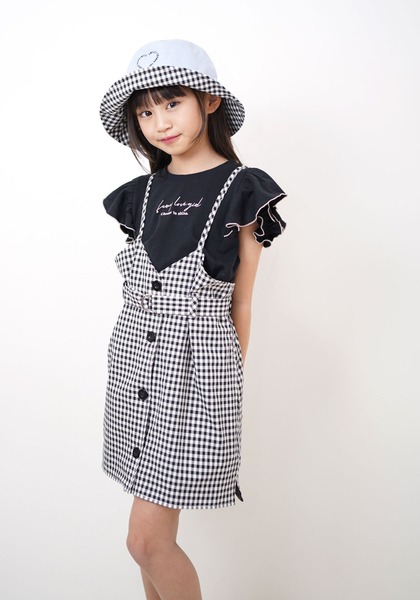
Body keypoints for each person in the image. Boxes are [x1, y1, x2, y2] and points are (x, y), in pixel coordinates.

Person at [99, 39, 287, 600]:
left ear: (208, 101)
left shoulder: (243, 190)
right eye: (144, 112)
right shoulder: (141, 194)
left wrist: (225, 381)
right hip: (132, 372)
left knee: (144, 542)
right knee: (149, 540)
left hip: (196, 380)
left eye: (171, 103)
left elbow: (241, 302)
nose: (159, 122)